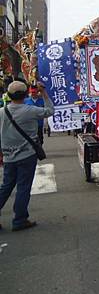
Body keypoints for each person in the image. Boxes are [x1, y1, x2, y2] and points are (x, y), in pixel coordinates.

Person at [0, 81, 54, 231]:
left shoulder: (1, 112)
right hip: (26, 155)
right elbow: (50, 110)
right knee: (23, 187)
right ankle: (20, 219)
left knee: (6, 186)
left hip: (8, 156)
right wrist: (43, 92)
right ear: (25, 95)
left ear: (8, 95)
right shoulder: (30, 110)